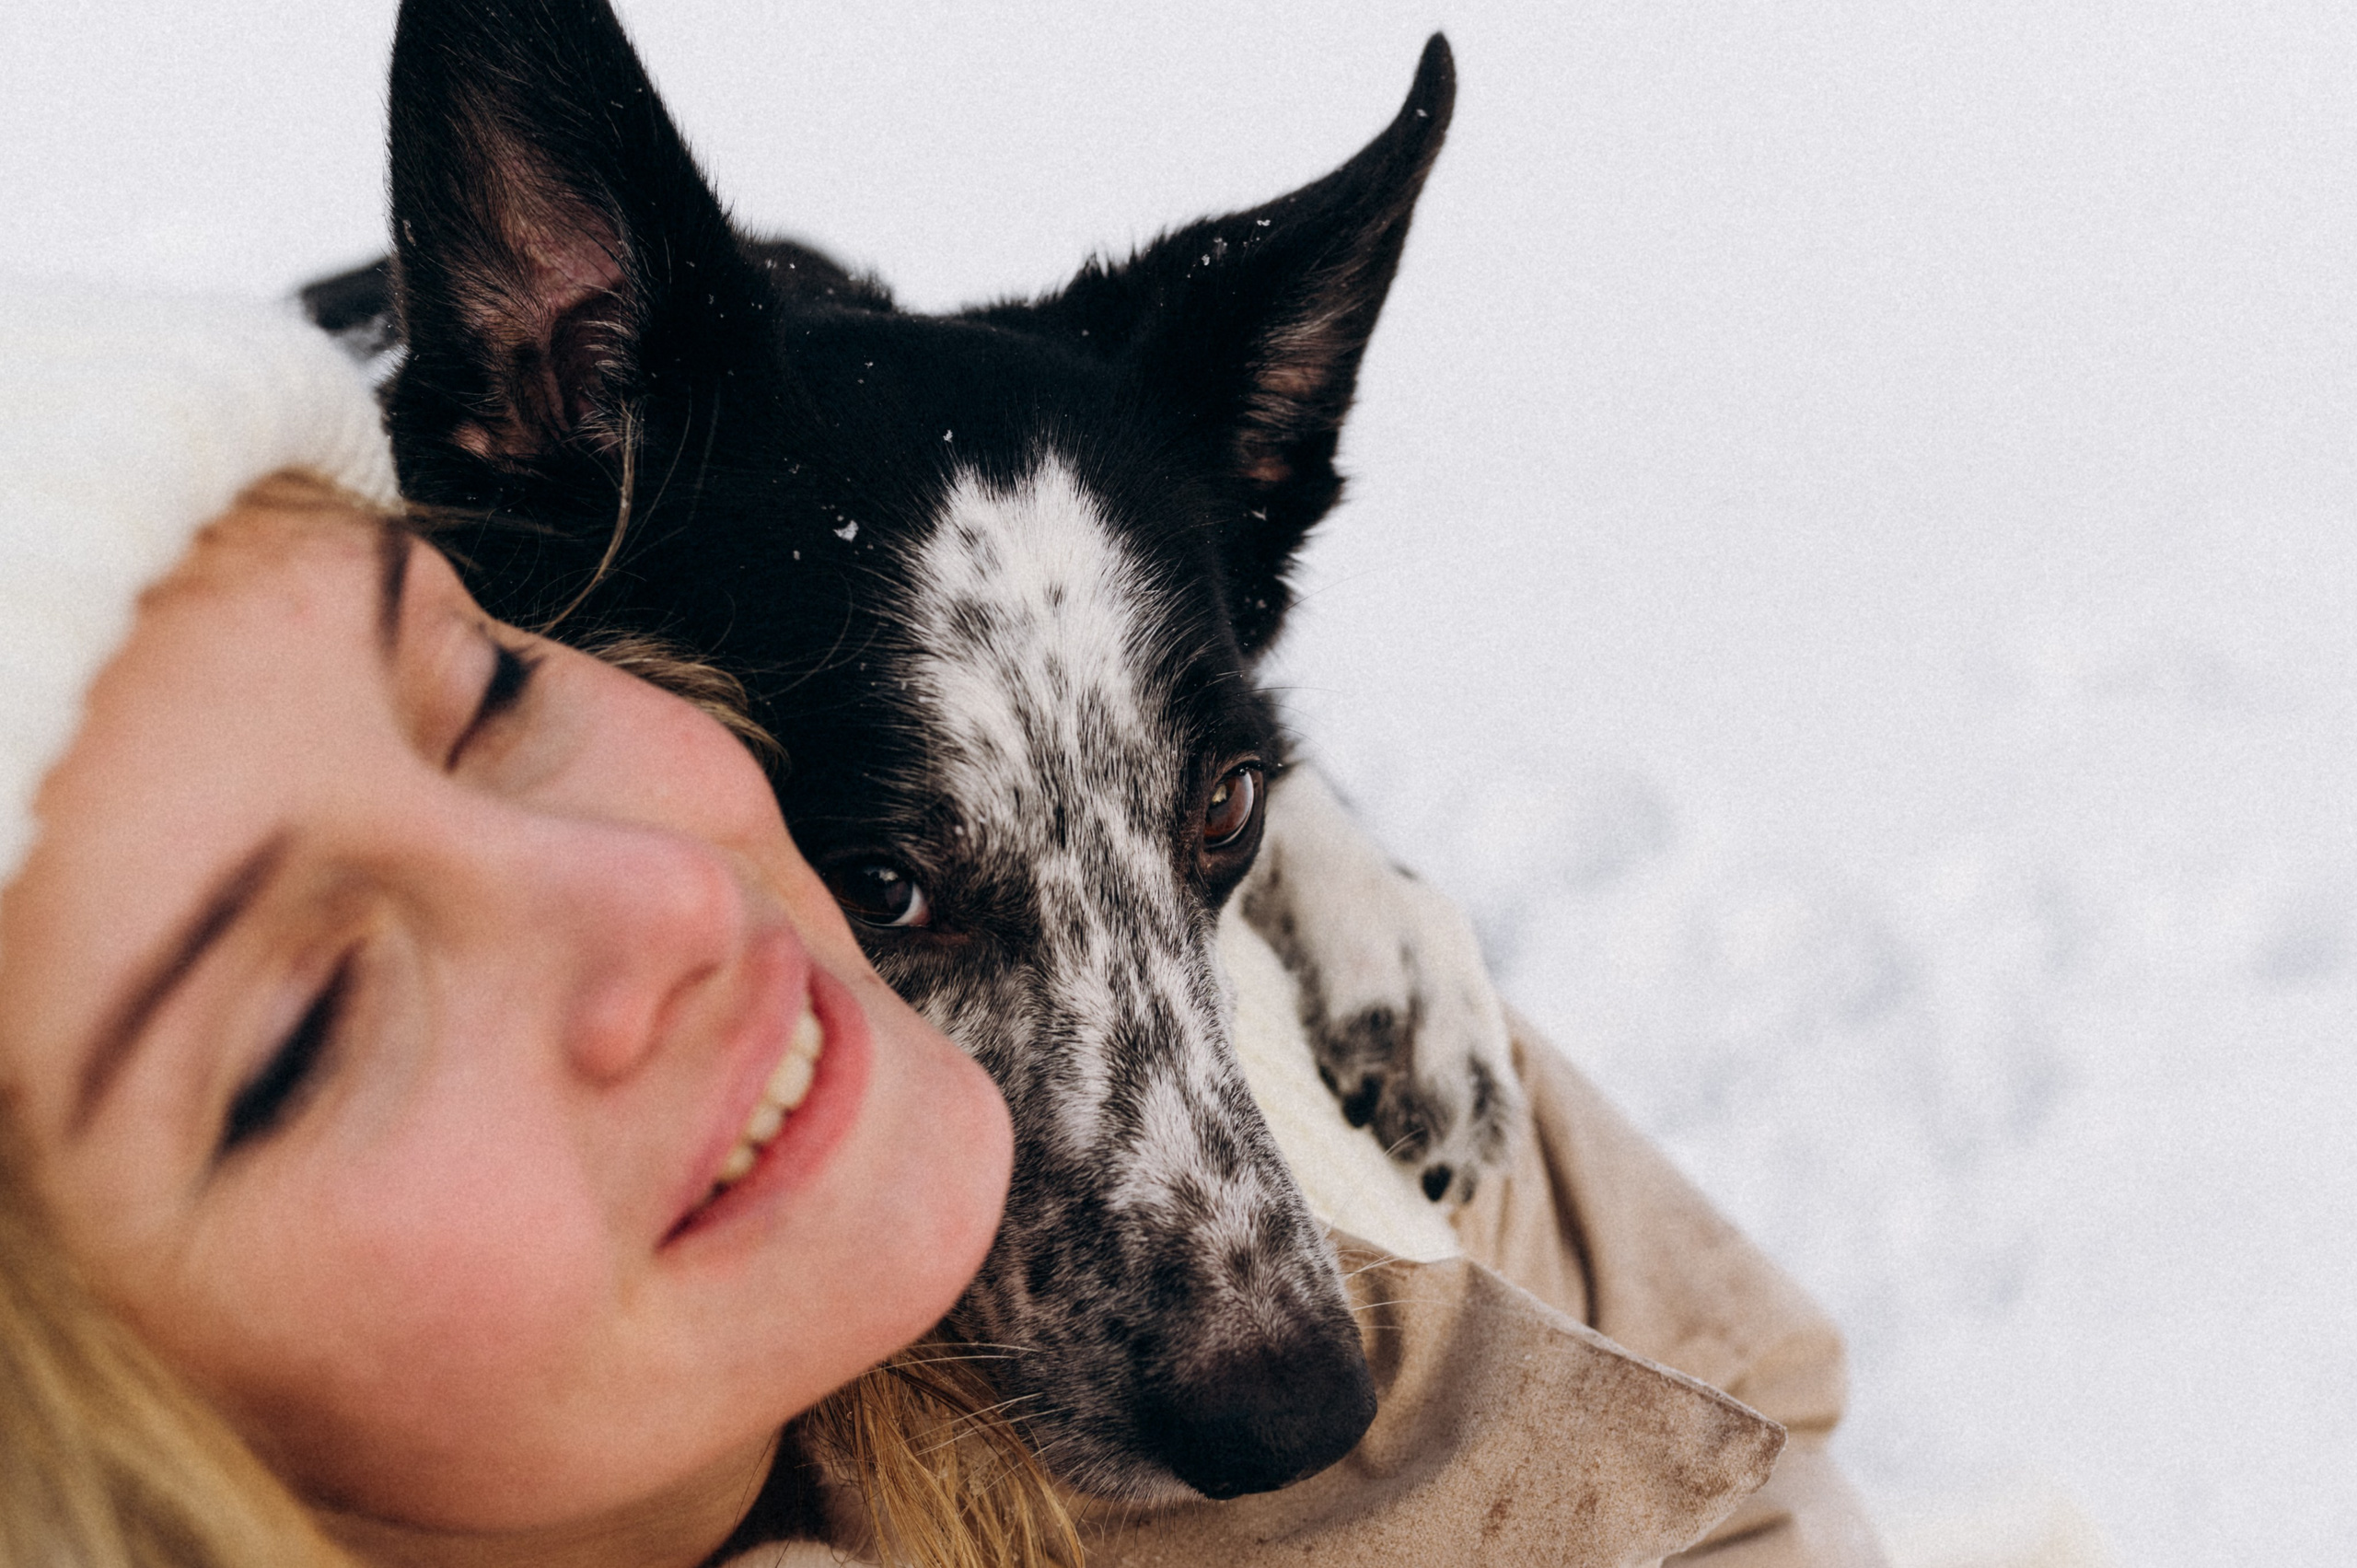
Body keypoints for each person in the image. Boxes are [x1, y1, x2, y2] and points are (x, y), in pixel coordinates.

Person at [0, 282, 1884, 1567]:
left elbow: (1771, 1426)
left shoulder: (1376, 1128)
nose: (674, 894)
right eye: (310, 1023)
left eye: (488, 698)